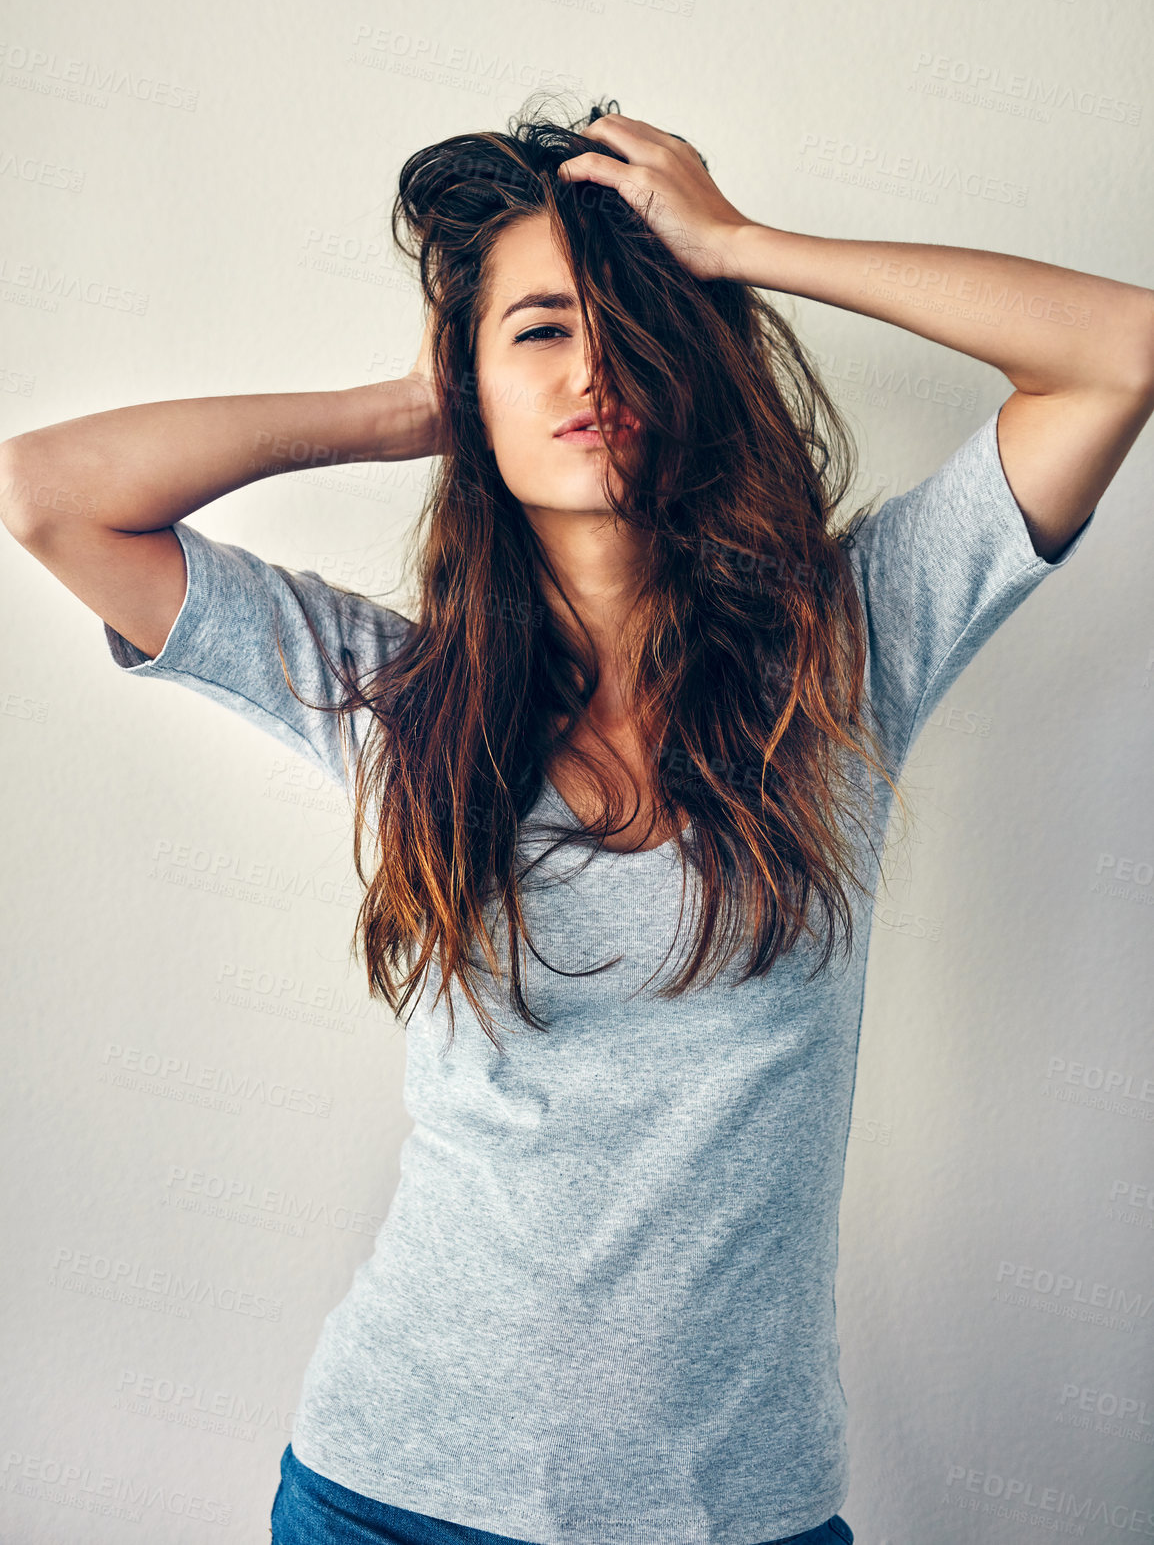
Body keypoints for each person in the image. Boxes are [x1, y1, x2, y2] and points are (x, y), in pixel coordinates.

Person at [2, 95, 1150, 1545]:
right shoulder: (391, 693)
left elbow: (1117, 352)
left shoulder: (844, 655)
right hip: (393, 1496)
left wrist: (741, 244)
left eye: (630, 320)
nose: (590, 364)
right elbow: (48, 495)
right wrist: (403, 409)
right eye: (537, 328)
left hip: (734, 1511)